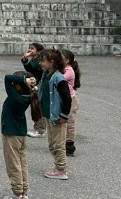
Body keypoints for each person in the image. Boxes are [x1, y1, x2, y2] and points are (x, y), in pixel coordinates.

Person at [1, 71, 38, 199]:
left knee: (13, 163)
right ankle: (24, 191)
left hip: (11, 133)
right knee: (22, 162)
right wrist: (26, 81)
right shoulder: (28, 95)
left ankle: (17, 192)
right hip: (21, 133)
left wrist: (24, 79)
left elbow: (7, 77)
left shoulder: (14, 96)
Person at [38, 49, 72, 180]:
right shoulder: (45, 74)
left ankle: (61, 169)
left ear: (51, 62)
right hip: (48, 114)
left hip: (57, 117)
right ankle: (58, 166)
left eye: (43, 61)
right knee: (52, 143)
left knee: (58, 144)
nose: (40, 63)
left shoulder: (58, 78)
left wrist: (64, 115)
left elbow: (67, 98)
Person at [60, 49, 81, 157]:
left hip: (70, 99)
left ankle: (69, 145)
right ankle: (62, 142)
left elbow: (59, 79)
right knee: (62, 121)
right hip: (63, 98)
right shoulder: (63, 68)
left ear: (67, 60)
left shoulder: (69, 70)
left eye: (60, 57)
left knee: (70, 122)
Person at [21, 43, 46, 138]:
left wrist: (25, 60)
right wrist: (25, 60)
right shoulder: (35, 59)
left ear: (39, 51)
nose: (30, 50)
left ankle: (40, 130)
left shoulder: (40, 60)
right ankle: (37, 128)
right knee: (35, 107)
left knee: (38, 108)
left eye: (32, 48)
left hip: (38, 85)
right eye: (29, 48)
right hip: (34, 84)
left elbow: (33, 70)